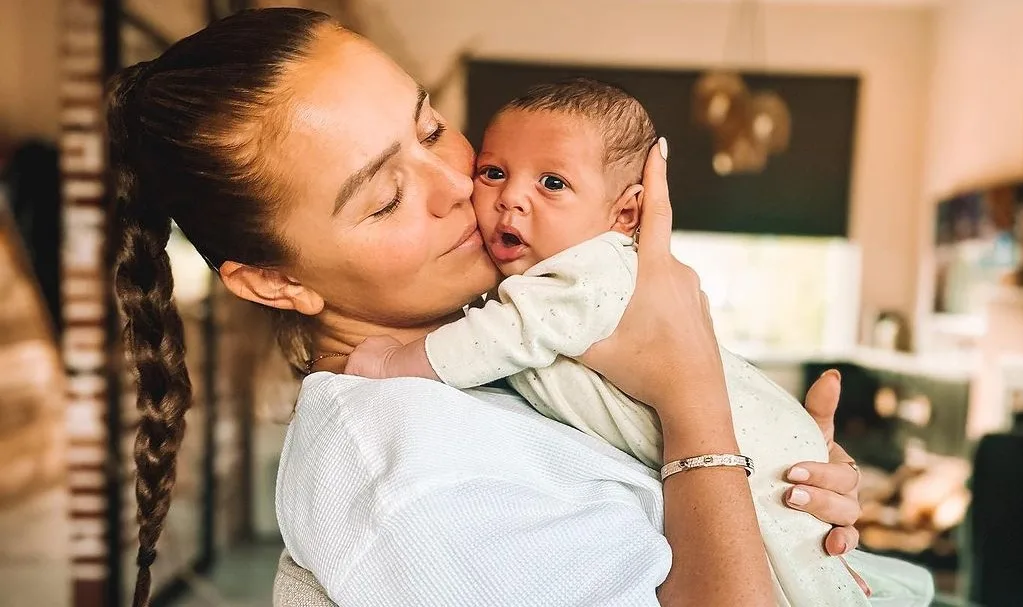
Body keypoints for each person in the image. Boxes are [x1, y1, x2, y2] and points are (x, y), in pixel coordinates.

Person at [108, 8, 869, 607]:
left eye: (431, 128)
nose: (458, 184)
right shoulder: (406, 475)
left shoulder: (501, 363)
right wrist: (696, 403)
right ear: (274, 282)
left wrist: (771, 484)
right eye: (386, 198)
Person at [344, 78, 932, 606]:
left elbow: (504, 336)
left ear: (626, 214)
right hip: (742, 452)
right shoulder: (545, 284)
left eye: (552, 183)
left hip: (756, 452)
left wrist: (395, 362)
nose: (510, 198)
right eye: (494, 173)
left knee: (803, 572)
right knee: (801, 565)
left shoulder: (589, 272)